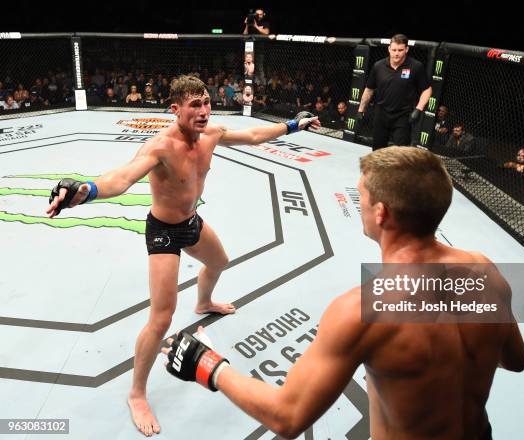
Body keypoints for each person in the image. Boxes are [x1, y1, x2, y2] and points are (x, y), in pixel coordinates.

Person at [161, 146, 524, 439]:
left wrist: (207, 365)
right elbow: (514, 359)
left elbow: (287, 418)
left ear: (380, 213)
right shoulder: (484, 269)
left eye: (362, 196)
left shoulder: (362, 311)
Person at [46, 75, 320, 437]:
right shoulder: (160, 146)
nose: (204, 111)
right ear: (175, 109)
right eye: (195, 105)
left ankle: (203, 302)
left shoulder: (213, 134)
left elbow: (254, 136)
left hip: (192, 222)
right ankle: (137, 393)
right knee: (161, 318)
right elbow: (123, 178)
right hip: (163, 232)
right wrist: (88, 190)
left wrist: (291, 126)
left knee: (220, 262)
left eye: (206, 102)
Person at [358, 34, 432, 150]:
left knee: (401, 152)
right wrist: (361, 109)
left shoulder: (416, 66)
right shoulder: (378, 66)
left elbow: (427, 89)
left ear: (406, 49)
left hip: (403, 116)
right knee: (378, 151)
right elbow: (369, 89)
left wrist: (419, 109)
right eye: (394, 50)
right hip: (381, 114)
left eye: (400, 50)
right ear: (389, 49)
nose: (396, 53)